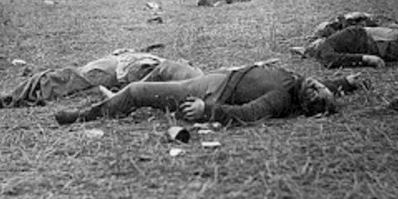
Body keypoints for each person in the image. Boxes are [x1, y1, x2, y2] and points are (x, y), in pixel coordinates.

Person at [54, 61, 368, 126]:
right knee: (168, 66)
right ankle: (115, 98)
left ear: (305, 103)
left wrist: (207, 111)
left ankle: (85, 116)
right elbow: (320, 86)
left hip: (211, 92)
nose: (316, 86)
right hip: (216, 77)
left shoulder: (282, 97)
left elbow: (248, 114)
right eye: (319, 86)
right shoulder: (300, 83)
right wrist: (346, 82)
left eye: (315, 92)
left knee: (137, 92)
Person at [0, 51, 203, 111]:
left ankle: (5, 100)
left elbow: (153, 78)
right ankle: (7, 98)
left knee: (60, 79)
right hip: (126, 64)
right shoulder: (196, 79)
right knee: (62, 78)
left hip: (121, 69)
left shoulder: (195, 83)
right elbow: (160, 72)